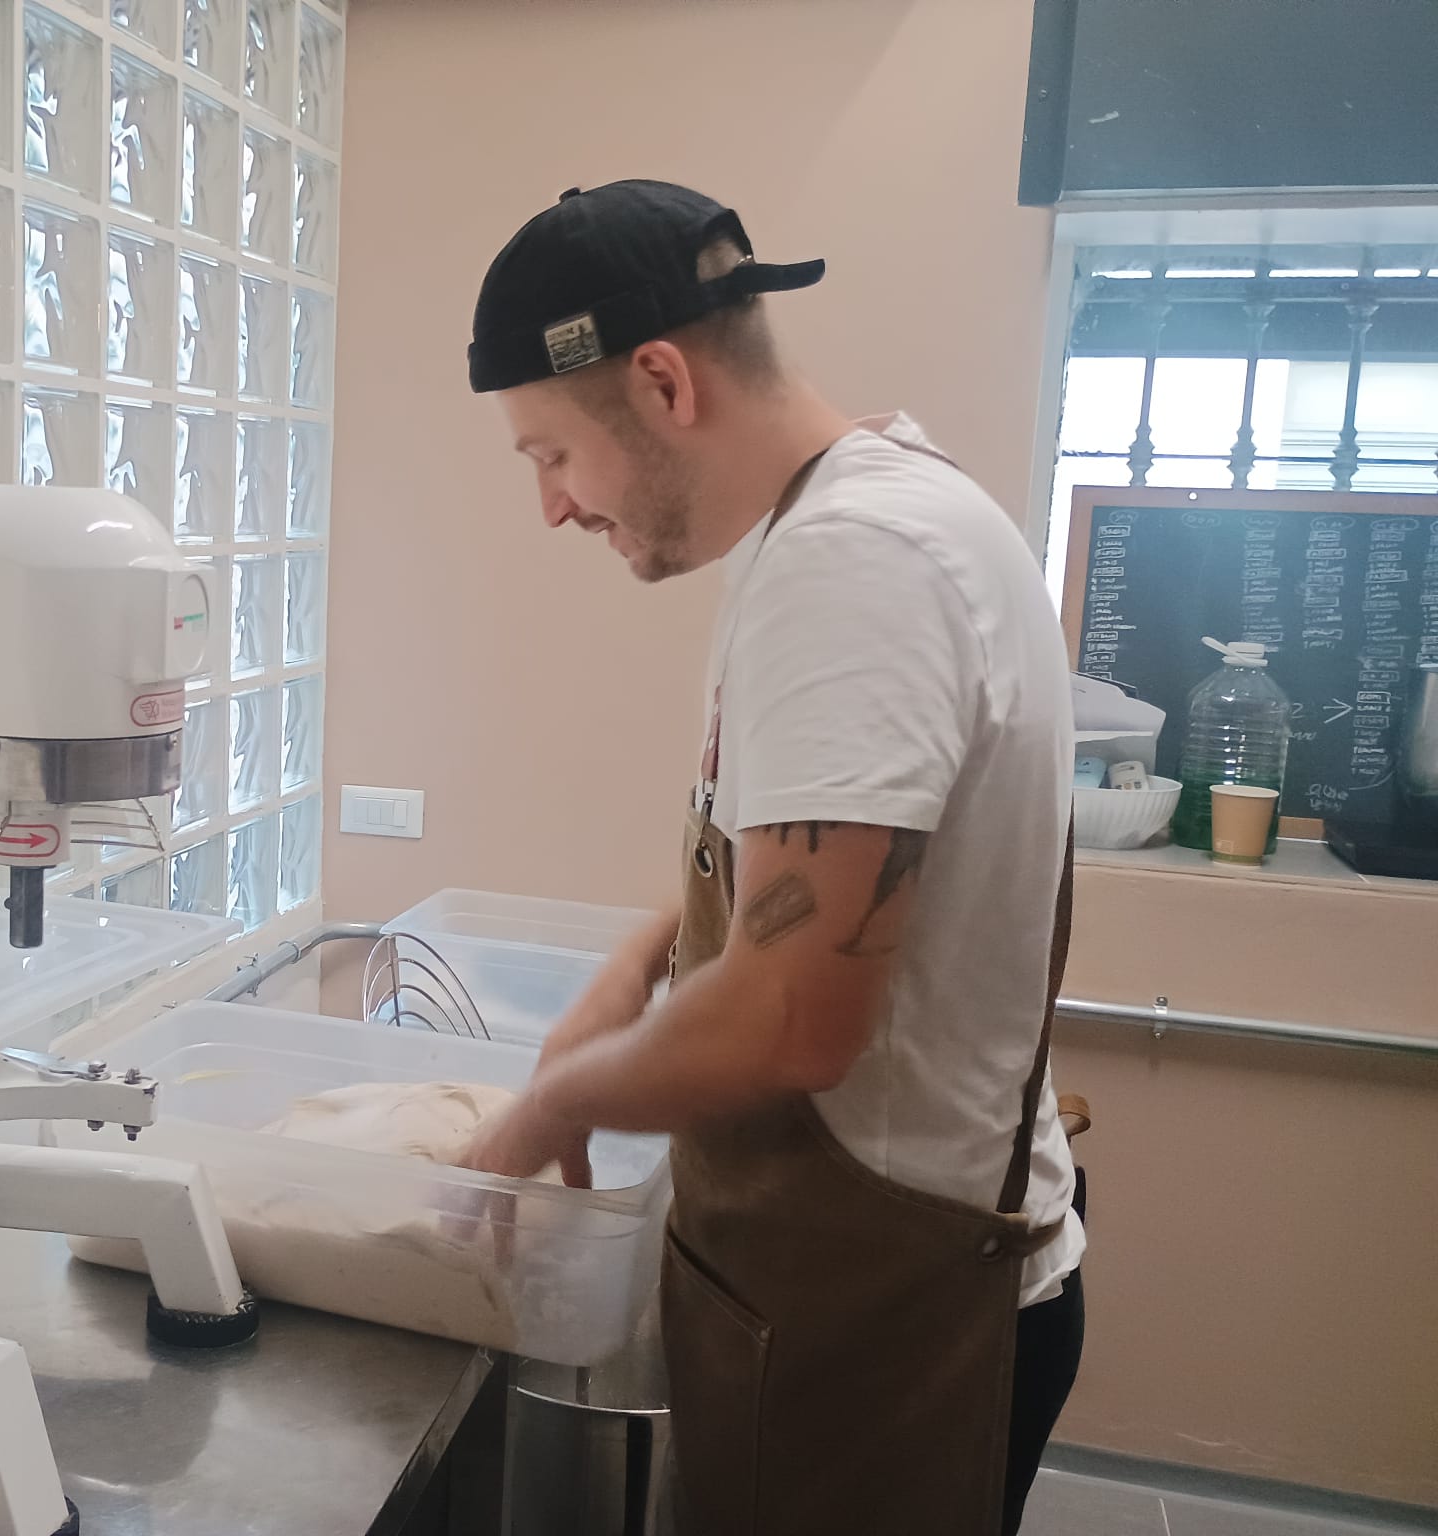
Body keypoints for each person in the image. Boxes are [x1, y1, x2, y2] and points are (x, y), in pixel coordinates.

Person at [458, 180, 1086, 1535]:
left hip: (895, 1327)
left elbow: (795, 1015)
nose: (552, 507)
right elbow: (798, 881)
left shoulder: (855, 567)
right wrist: (635, 971)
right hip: (862, 1289)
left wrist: (548, 1107)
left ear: (664, 383)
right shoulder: (852, 518)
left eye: (551, 454)